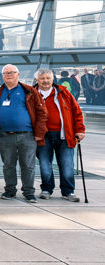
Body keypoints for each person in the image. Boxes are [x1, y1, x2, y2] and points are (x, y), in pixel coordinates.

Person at [0, 64, 48, 202]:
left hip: (27, 135)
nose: (9, 75)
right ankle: (10, 190)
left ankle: (29, 192)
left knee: (28, 165)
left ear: (18, 74)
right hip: (5, 135)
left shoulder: (29, 91)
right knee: (8, 165)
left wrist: (39, 132)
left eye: (12, 72)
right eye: (6, 73)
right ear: (2, 76)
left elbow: (42, 113)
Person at [35, 68, 85, 202]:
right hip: (43, 135)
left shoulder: (63, 93)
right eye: (42, 78)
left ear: (53, 79)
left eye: (48, 78)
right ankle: (46, 189)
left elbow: (77, 112)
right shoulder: (32, 94)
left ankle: (68, 191)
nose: (45, 81)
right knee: (45, 165)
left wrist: (79, 129)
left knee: (67, 164)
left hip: (64, 135)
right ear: (37, 80)